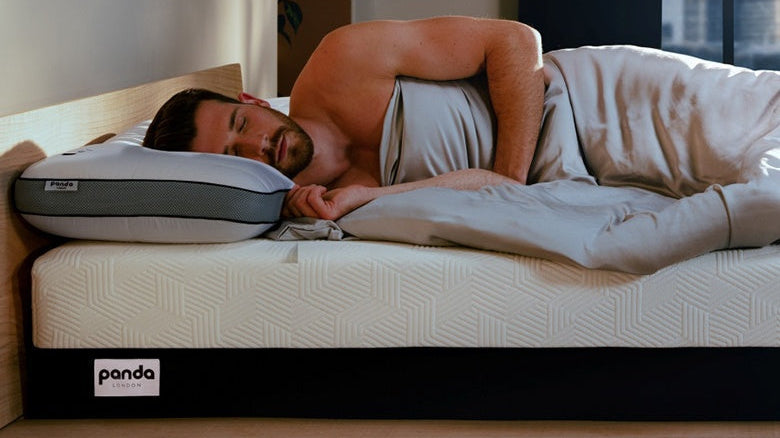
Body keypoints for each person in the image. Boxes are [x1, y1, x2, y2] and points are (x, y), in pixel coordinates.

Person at [144, 16, 546, 220]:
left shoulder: (341, 59)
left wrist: (511, 185)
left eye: (242, 123)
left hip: (567, 103)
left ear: (254, 101)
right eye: (234, 156)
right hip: (557, 180)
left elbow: (515, 40)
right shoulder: (315, 210)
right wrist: (359, 200)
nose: (258, 145)